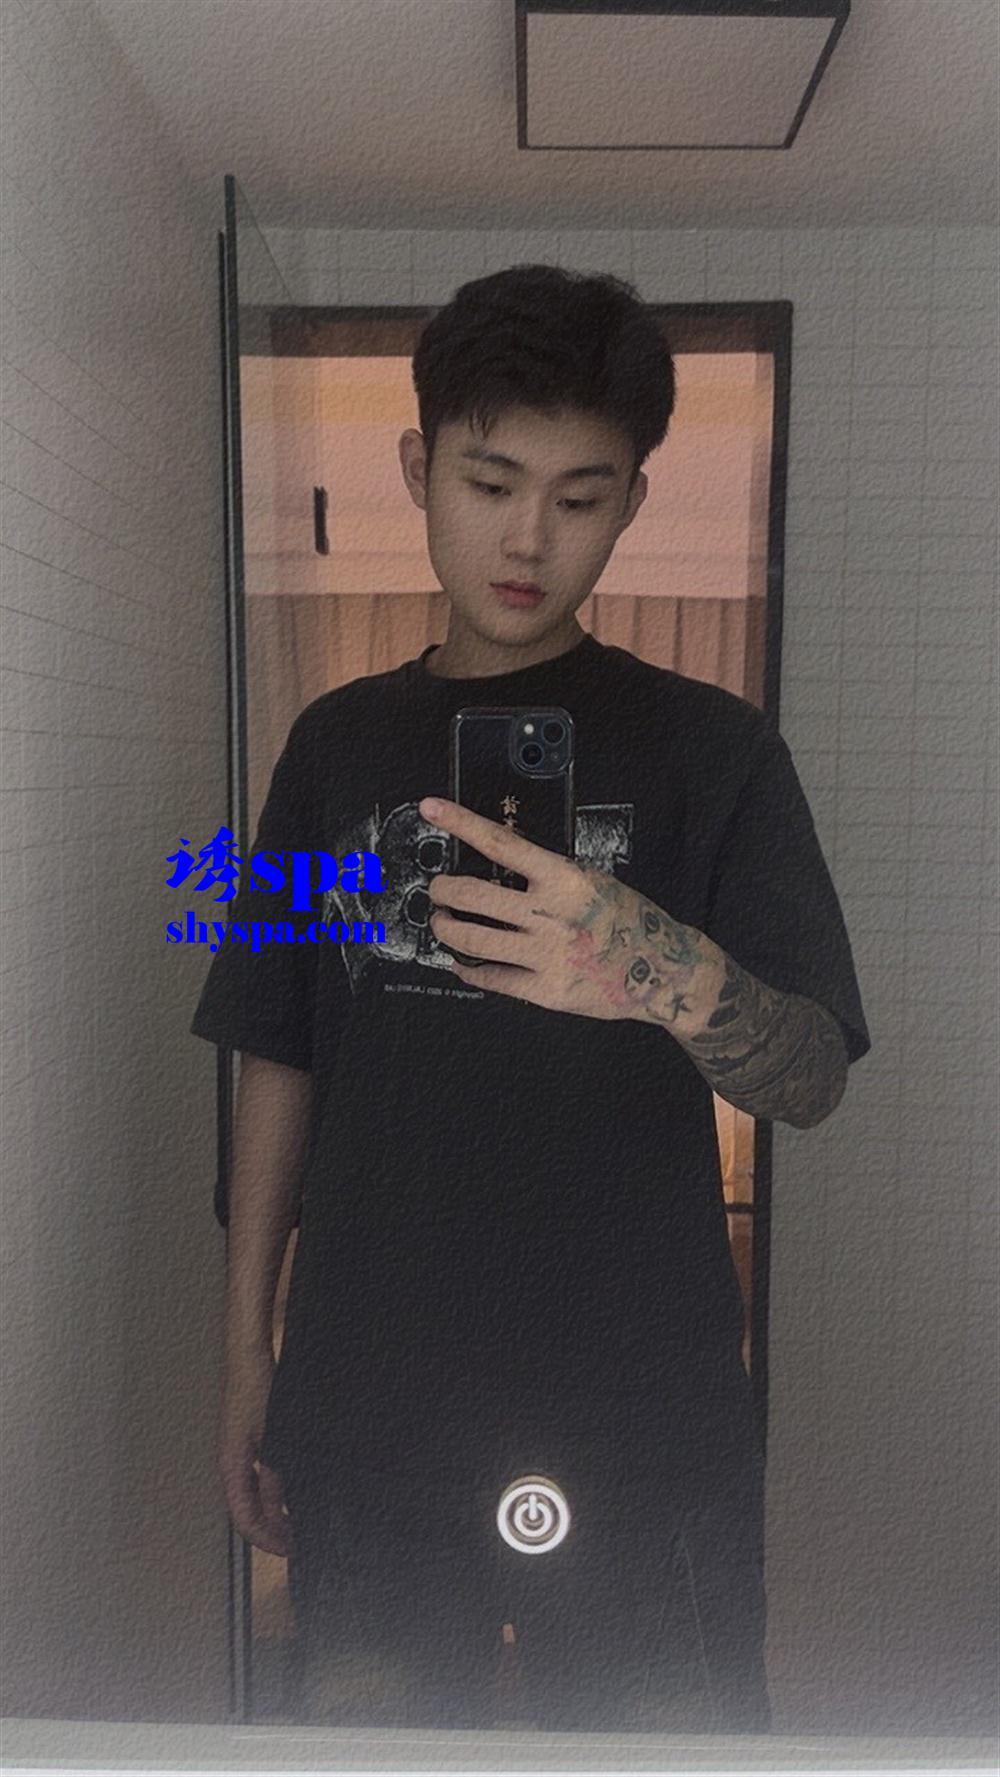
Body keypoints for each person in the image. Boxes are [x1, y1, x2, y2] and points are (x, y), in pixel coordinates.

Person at [192, 263, 872, 1734]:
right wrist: (248, 1357)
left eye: (580, 496)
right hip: (373, 1396)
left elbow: (812, 1071)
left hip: (645, 1411)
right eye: (490, 481)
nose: (527, 538)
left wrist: (646, 961)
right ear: (416, 466)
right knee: (375, 1752)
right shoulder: (333, 746)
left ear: (632, 503)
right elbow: (276, 1049)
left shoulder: (715, 750)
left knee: (667, 1754)